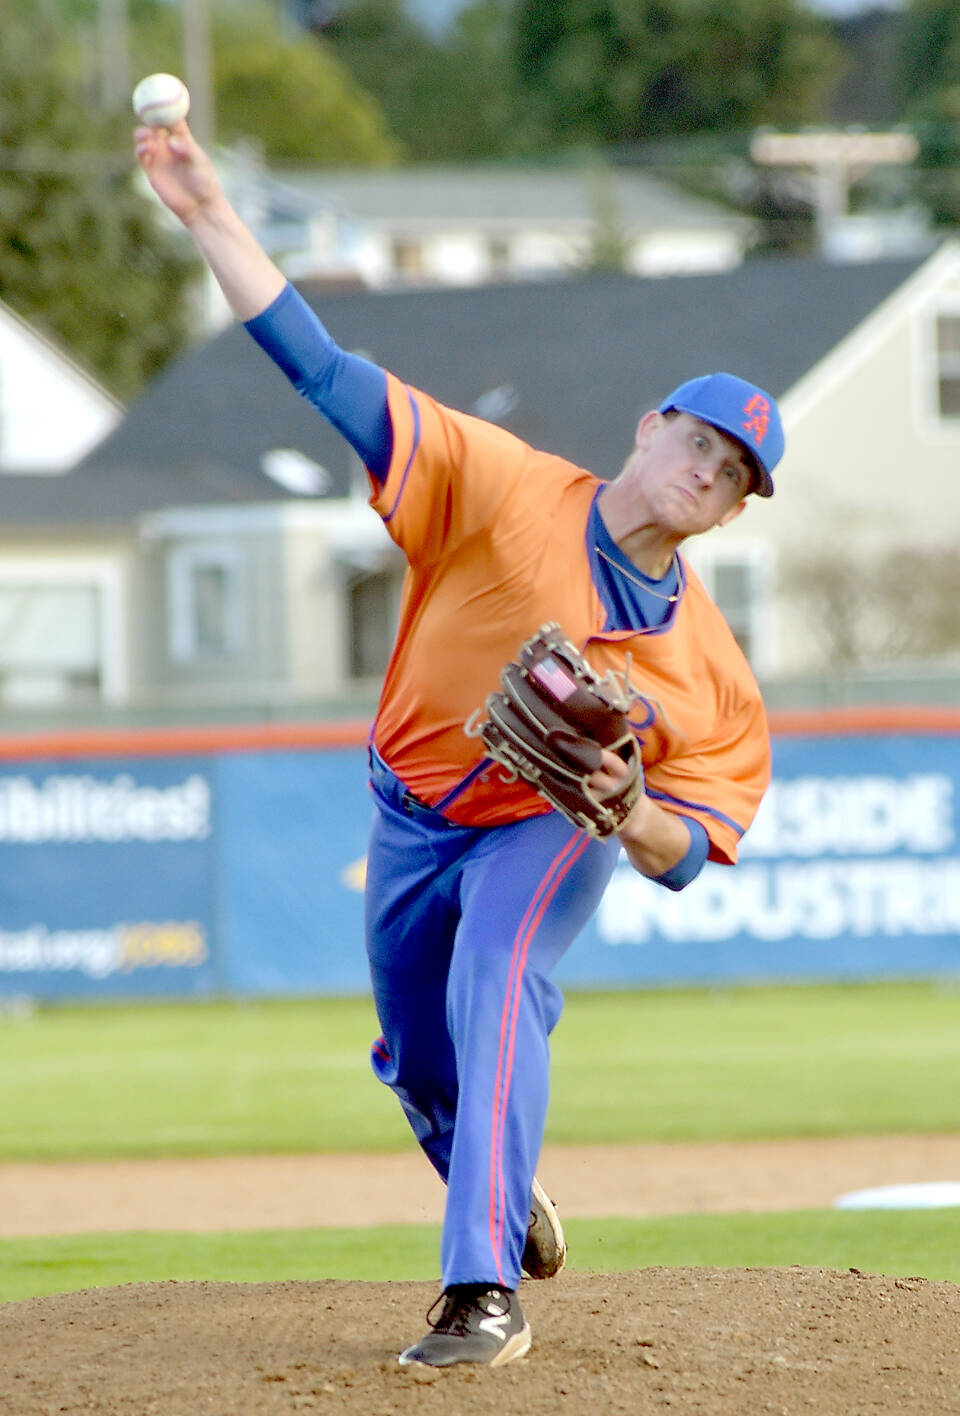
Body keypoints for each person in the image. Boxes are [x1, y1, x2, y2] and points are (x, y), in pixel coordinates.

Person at [135, 118, 784, 1372]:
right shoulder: (499, 483)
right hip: (411, 809)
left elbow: (684, 851)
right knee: (413, 1057)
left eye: (735, 475)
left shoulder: (711, 671)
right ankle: (502, 1184)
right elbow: (330, 377)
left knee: (498, 978)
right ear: (650, 429)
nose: (707, 475)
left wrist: (625, 806)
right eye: (700, 444)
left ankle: (480, 1289)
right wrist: (214, 215)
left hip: (544, 832)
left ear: (736, 510)